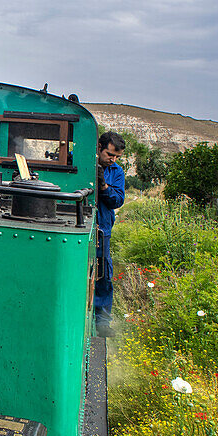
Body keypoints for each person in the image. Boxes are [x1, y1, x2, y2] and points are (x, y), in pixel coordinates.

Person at [95, 130, 126, 336]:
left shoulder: (116, 171)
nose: (112, 159)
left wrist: (104, 186)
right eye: (109, 154)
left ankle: (102, 322)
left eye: (116, 156)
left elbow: (118, 200)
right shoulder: (83, 162)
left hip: (103, 228)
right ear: (99, 148)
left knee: (103, 275)